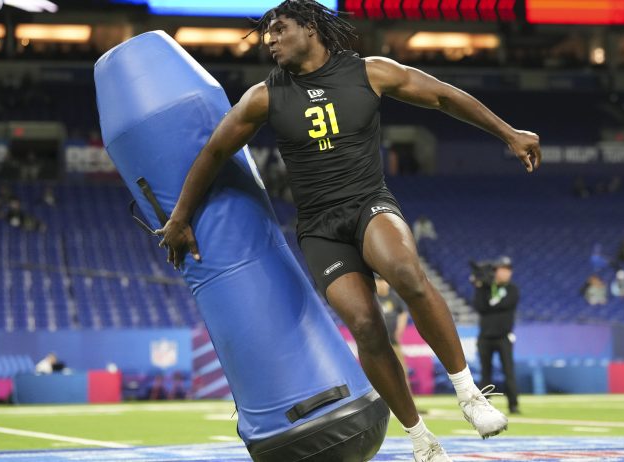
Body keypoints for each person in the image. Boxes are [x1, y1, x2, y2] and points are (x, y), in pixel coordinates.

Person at [155, 2, 541, 459]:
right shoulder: (265, 95)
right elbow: (214, 152)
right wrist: (179, 217)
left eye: (279, 29)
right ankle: (420, 439)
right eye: (267, 35)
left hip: (368, 204)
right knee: (364, 325)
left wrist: (507, 132)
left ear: (312, 28)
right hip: (320, 228)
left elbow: (442, 95)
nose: (270, 40)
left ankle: (469, 396)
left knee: (404, 271)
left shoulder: (370, 72)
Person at [471, 257, 520, 415]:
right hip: (485, 336)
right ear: (495, 271)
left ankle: (513, 405)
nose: (506, 272)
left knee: (508, 372)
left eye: (508, 269)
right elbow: (479, 307)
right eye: (502, 269)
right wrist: (481, 286)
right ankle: (484, 406)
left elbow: (503, 305)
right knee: (486, 373)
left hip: (503, 336)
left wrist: (488, 292)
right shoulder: (484, 289)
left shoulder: (512, 289)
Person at [376, 275, 410, 390]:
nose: (381, 284)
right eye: (378, 281)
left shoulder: (394, 297)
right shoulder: (372, 298)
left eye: (383, 281)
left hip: (393, 342)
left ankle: (409, 401)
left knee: (401, 372)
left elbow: (403, 312)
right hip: (378, 345)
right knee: (380, 374)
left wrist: (400, 330)